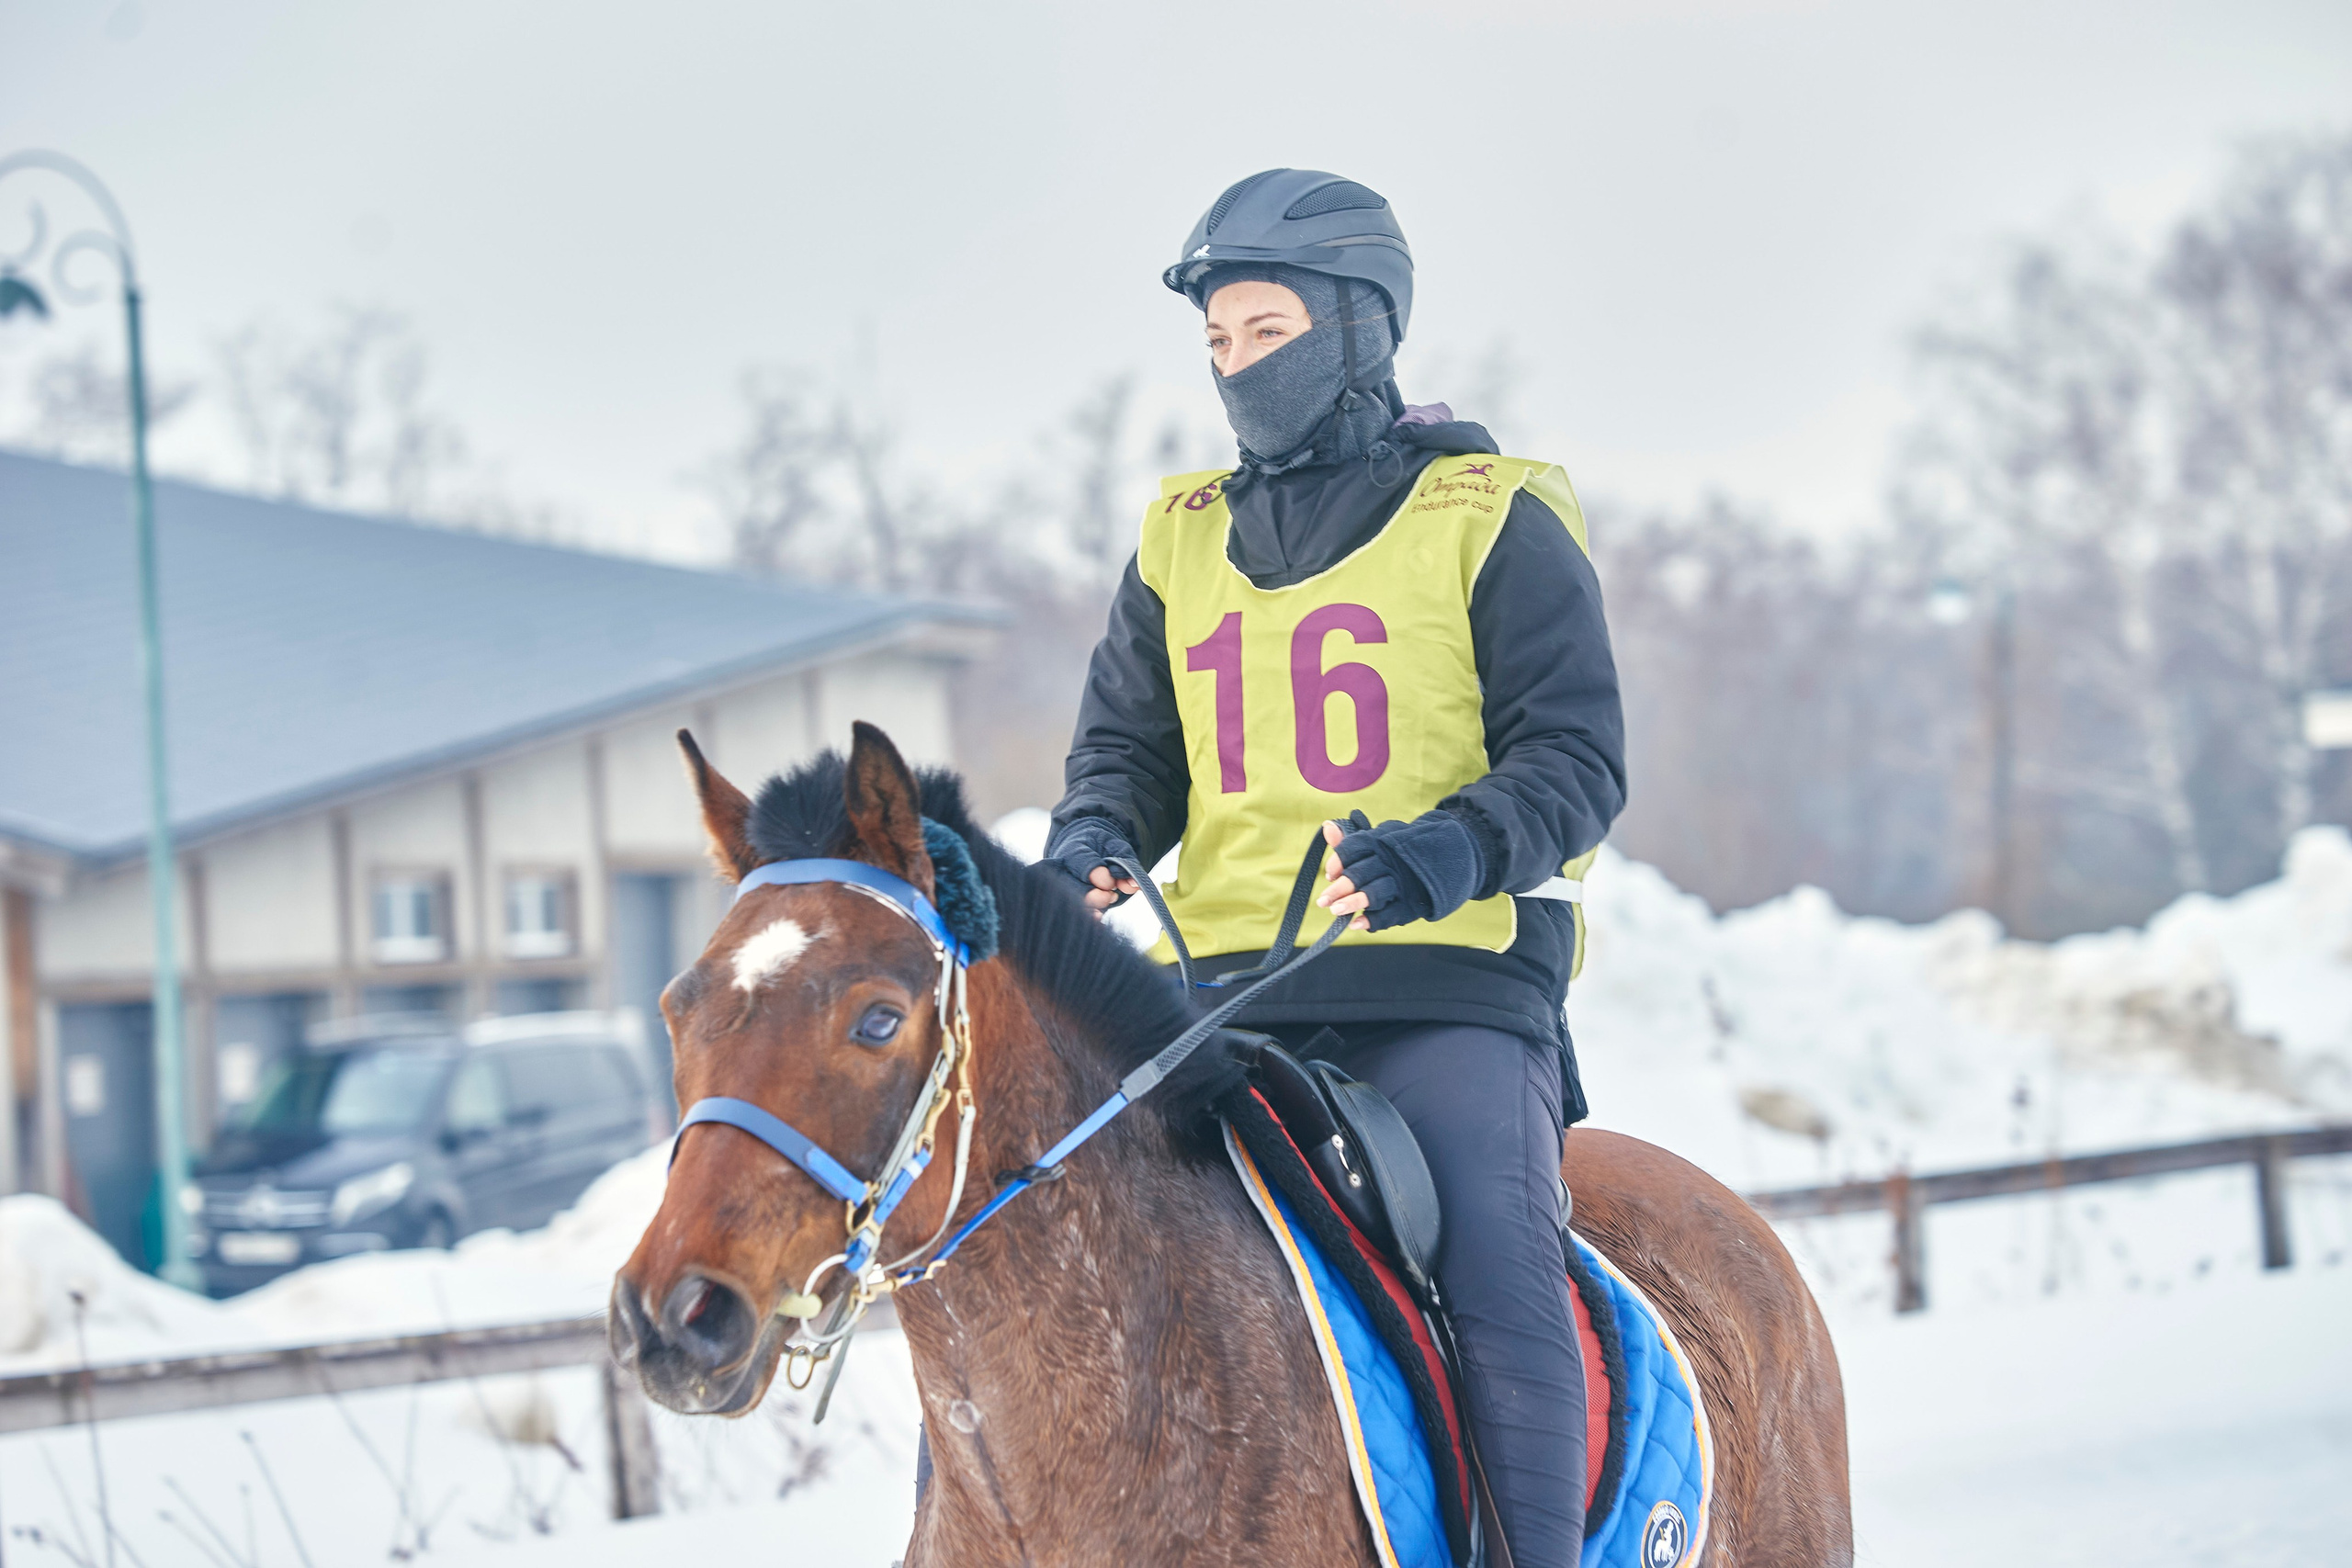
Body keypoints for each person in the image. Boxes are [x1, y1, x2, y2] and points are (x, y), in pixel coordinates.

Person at [1043, 169, 1626, 1566]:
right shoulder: (1176, 537)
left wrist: (1443, 853)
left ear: (1359, 326)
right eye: (1219, 346)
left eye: (1266, 332)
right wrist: (1094, 842)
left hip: (1445, 989)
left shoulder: (1493, 513)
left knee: (1494, 1264)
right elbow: (1125, 755)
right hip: (1221, 1000)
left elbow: (1578, 761)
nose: (1239, 368)